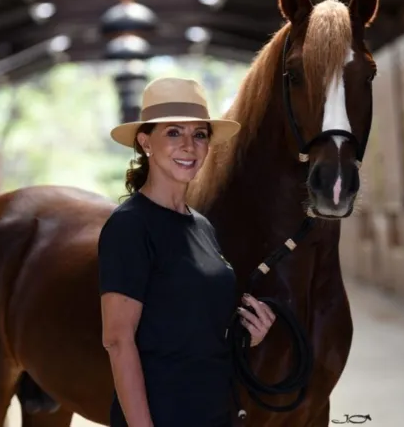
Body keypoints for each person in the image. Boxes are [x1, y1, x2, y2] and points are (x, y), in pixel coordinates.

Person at [99, 77, 277, 427]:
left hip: (215, 412)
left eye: (199, 134)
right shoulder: (130, 226)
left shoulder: (202, 226)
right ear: (145, 142)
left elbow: (198, 328)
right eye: (174, 133)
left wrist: (249, 335)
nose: (189, 146)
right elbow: (118, 341)